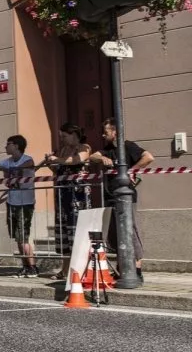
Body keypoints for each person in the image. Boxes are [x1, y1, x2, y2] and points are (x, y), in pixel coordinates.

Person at [89, 118, 154, 282]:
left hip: (127, 197)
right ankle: (122, 267)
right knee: (116, 234)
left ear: (115, 132)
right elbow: (92, 156)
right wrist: (101, 159)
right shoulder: (108, 150)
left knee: (130, 231)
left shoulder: (128, 146)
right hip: (111, 196)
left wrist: (131, 171)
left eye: (106, 132)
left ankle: (137, 269)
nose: (103, 135)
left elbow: (148, 157)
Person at [42, 122, 91, 280]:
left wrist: (59, 159)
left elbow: (77, 160)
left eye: (64, 136)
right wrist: (51, 163)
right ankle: (64, 270)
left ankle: (79, 270)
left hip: (78, 196)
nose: (62, 139)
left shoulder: (84, 147)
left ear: (74, 134)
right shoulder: (63, 150)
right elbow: (58, 170)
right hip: (63, 195)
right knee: (64, 235)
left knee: (77, 232)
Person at [0, 135, 37, 278]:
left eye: (8, 144)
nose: (5, 147)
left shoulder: (27, 159)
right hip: (12, 202)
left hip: (25, 203)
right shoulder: (7, 161)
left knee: (24, 236)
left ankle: (32, 266)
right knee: (17, 237)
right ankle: (25, 266)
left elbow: (24, 167)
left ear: (16, 146)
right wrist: (2, 167)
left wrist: (9, 170)